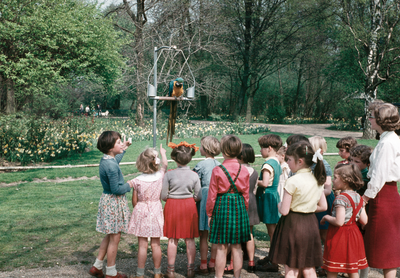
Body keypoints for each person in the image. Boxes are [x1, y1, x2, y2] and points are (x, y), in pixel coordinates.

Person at [269, 140, 327, 278]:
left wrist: (279, 204)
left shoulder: (292, 181)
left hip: (292, 226)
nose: (287, 162)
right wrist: (308, 207)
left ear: (300, 161)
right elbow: (323, 206)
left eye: (289, 159)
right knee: (309, 268)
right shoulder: (317, 179)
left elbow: (284, 211)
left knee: (291, 269)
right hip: (311, 225)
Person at [362, 102, 400, 278]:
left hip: (383, 194)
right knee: (380, 241)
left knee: (386, 243)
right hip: (383, 194)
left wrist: (366, 198)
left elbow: (379, 175)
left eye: (371, 117)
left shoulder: (388, 142)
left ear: (380, 120)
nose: (369, 119)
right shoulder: (387, 139)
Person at [206, 135, 250, 278]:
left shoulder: (218, 170)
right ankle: (237, 276)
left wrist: (210, 214)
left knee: (221, 246)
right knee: (237, 247)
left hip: (221, 206)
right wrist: (245, 210)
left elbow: (212, 195)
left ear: (223, 150)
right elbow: (246, 194)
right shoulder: (244, 170)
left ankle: (218, 276)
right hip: (239, 206)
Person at [89, 131, 132, 278]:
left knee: (110, 234)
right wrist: (130, 184)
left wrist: (124, 148)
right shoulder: (111, 166)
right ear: (110, 147)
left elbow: (115, 160)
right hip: (114, 202)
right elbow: (116, 189)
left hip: (108, 201)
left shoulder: (107, 160)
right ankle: (111, 272)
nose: (121, 143)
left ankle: (97, 266)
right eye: (119, 142)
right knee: (115, 237)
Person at [161, 141, 202, 278]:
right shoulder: (194, 175)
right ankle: (190, 270)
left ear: (174, 158)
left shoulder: (169, 174)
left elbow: (163, 196)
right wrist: (190, 198)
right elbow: (199, 196)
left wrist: (171, 198)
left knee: (173, 239)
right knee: (189, 239)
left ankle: (170, 271)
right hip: (189, 206)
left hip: (172, 205)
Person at [127, 144, 168, 278]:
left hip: (141, 210)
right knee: (156, 245)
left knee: (142, 246)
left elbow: (134, 200)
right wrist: (163, 153)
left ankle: (140, 274)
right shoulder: (160, 175)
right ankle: (157, 273)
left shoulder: (137, 180)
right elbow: (165, 165)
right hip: (156, 211)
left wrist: (138, 208)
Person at [321, 164, 368, 278]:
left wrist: (326, 217)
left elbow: (339, 221)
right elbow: (364, 220)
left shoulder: (341, 198)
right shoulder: (358, 196)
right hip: (354, 235)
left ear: (345, 181)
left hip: (340, 235)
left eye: (336, 178)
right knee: (352, 268)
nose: (333, 180)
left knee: (333, 267)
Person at [193, 136, 221, 275]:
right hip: (218, 198)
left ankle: (203, 264)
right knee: (215, 234)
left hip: (204, 197)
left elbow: (195, 184)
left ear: (206, 149)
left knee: (203, 233)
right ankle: (213, 262)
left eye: (201, 146)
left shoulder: (200, 165)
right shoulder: (220, 164)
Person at [255, 134, 282, 272]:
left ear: (269, 148)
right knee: (272, 230)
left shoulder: (267, 164)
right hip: (273, 196)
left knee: (272, 232)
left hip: (268, 197)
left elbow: (264, 183)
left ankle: (274, 261)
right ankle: (272, 256)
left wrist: (253, 180)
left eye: (262, 148)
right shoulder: (276, 161)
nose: (260, 151)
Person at [349, 144, 373, 278]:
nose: (353, 163)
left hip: (363, 213)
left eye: (357, 161)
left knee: (362, 246)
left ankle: (362, 273)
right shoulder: (355, 173)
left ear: (367, 163)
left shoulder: (365, 177)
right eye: (351, 160)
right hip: (355, 212)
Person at [237, 143, 260, 273]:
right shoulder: (254, 172)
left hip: (240, 201)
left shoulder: (238, 170)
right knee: (249, 233)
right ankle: (251, 261)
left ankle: (236, 261)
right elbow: (255, 189)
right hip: (252, 201)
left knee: (236, 234)